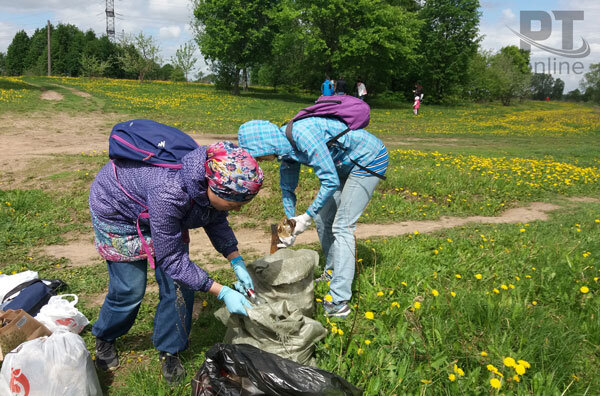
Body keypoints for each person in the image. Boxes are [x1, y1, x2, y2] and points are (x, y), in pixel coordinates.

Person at [89, 140, 263, 383]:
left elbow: (216, 218)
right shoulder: (170, 191)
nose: (237, 210)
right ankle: (105, 337)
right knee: (129, 288)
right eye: (234, 205)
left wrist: (236, 260)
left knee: (180, 287)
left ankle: (170, 350)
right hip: (119, 212)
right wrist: (222, 291)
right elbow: (172, 259)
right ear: (212, 188)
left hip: (161, 214)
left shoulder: (210, 182)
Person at [237, 119, 388, 318]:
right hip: (344, 165)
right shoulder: (286, 150)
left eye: (258, 155)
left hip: (368, 159)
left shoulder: (302, 135)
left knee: (342, 226)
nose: (260, 161)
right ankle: (332, 272)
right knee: (323, 218)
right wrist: (289, 225)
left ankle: (339, 301)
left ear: (265, 145)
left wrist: (306, 217)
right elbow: (287, 189)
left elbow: (330, 180)